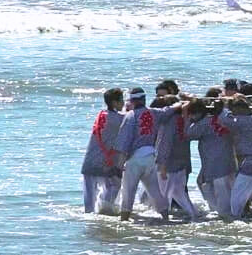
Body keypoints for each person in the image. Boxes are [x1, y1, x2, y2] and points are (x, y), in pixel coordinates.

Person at [113, 87, 180, 221]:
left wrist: (119, 164)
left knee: (128, 192)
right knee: (155, 192)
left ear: (132, 101)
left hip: (135, 159)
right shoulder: (154, 113)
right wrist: (181, 103)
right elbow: (170, 110)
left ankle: (123, 221)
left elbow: (124, 141)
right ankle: (166, 218)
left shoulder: (131, 116)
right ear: (144, 99)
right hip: (150, 158)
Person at [184, 97, 238, 219]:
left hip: (215, 164)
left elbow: (188, 134)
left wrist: (186, 117)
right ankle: (221, 211)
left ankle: (221, 213)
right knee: (204, 183)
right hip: (229, 161)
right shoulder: (223, 118)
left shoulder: (204, 123)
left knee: (219, 192)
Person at [81, 88, 125, 215]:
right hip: (105, 162)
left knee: (89, 198)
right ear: (114, 103)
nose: (123, 103)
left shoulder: (101, 115)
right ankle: (104, 212)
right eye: (121, 100)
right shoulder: (118, 119)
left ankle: (92, 216)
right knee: (114, 187)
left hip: (89, 161)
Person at [154, 95, 197, 220]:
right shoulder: (185, 120)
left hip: (168, 165)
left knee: (164, 195)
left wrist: (162, 166)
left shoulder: (168, 123)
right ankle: (193, 215)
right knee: (179, 193)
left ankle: (164, 219)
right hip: (181, 163)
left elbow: (164, 144)